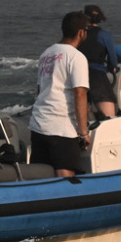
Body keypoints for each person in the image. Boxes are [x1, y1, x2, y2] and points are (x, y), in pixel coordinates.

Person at [29, 10, 91, 177]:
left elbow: (40, 89)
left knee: (41, 174)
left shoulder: (46, 54)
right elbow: (80, 93)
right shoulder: (76, 57)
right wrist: (83, 132)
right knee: (65, 173)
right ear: (81, 32)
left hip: (38, 124)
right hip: (60, 127)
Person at [77, 4, 119, 118]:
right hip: (97, 77)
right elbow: (113, 61)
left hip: (78, 74)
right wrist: (112, 67)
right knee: (109, 117)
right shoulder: (104, 35)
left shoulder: (78, 34)